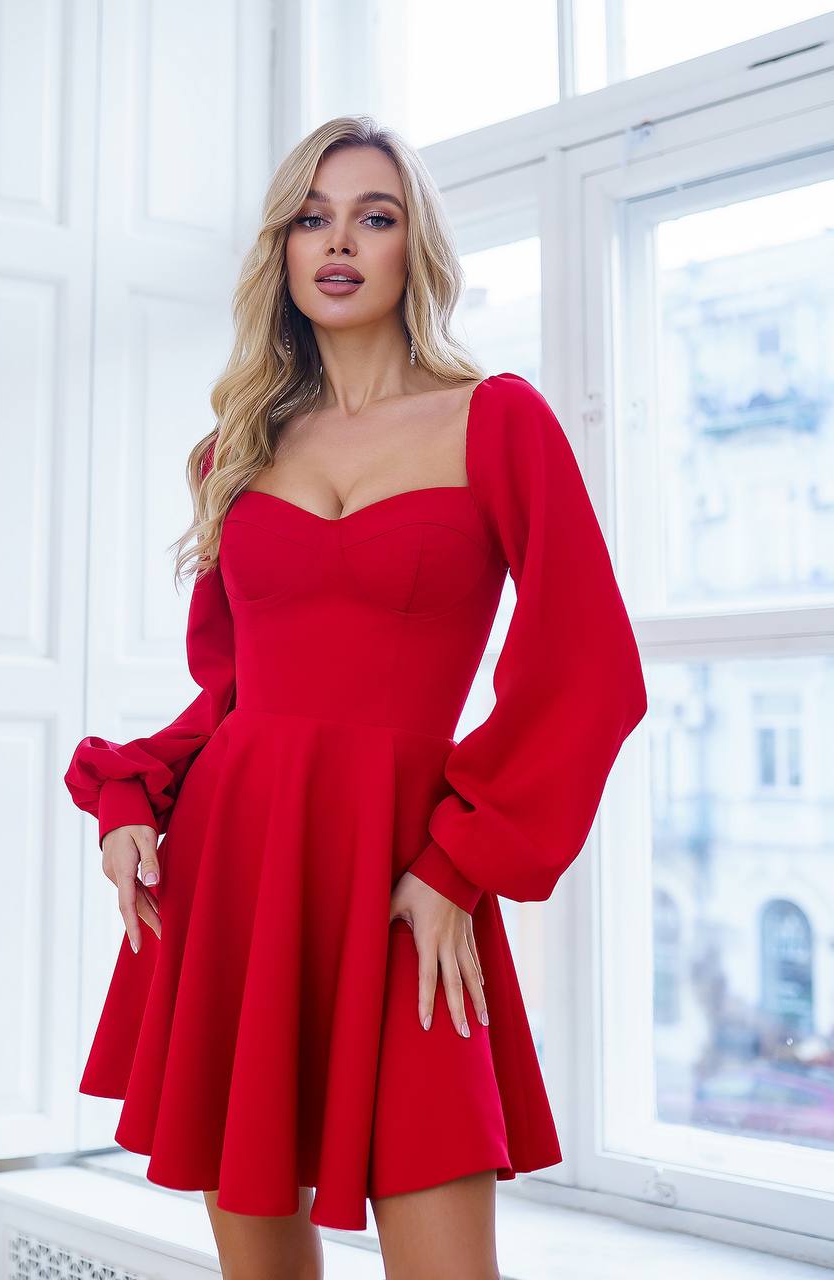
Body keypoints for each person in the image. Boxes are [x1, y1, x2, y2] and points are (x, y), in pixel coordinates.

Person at [63, 115, 647, 1280]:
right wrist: (131, 794)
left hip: (407, 879)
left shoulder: (497, 420)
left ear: (411, 248)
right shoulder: (229, 450)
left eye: (373, 216)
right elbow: (229, 691)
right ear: (281, 250)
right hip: (242, 872)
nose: (339, 241)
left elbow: (589, 665)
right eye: (310, 217)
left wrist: (456, 864)